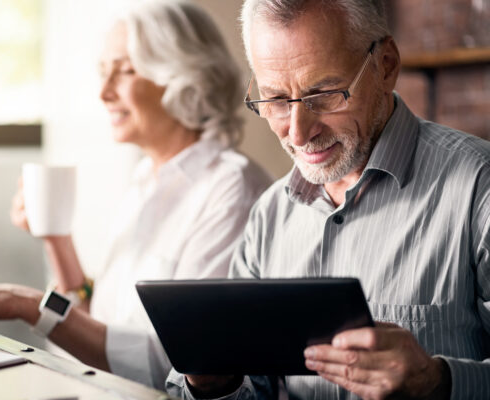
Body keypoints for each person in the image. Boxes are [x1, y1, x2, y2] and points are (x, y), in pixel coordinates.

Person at [0, 0, 271, 391]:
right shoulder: (146, 178)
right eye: (103, 72)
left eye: (125, 71)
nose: (104, 92)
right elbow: (100, 325)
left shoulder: (232, 190)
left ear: (185, 76)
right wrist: (56, 238)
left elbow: (177, 366)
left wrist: (26, 304)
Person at [165, 0, 490, 399]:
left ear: (386, 65)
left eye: (324, 94)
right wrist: (215, 384)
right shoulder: (269, 216)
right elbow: (257, 388)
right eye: (276, 100)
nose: (298, 133)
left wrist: (438, 381)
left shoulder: (479, 188)